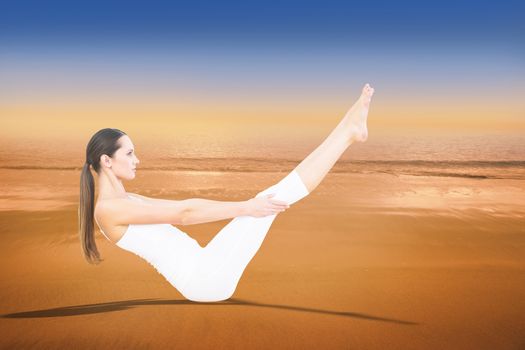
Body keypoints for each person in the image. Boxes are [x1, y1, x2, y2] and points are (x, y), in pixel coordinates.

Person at [79, 83, 375, 302]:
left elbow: (184, 206)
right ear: (107, 160)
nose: (137, 160)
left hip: (206, 265)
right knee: (273, 197)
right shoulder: (108, 209)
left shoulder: (125, 201)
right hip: (205, 279)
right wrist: (245, 207)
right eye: (129, 153)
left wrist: (246, 207)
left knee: (270, 197)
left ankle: (348, 132)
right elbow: (184, 214)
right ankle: (348, 133)